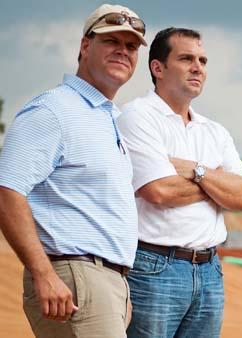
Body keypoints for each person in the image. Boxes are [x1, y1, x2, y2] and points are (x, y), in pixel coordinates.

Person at [0, 4, 147, 337]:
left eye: (131, 46)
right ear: (85, 46)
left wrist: (116, 284)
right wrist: (44, 273)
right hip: (74, 274)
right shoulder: (53, 110)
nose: (123, 51)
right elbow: (7, 190)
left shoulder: (107, 117)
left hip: (103, 281)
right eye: (113, 42)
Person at [117, 27, 242, 338]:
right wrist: (218, 184)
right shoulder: (137, 117)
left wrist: (195, 171)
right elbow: (159, 191)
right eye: (186, 58)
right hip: (154, 268)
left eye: (203, 60)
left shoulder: (214, 131)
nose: (198, 67)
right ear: (158, 67)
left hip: (210, 269)